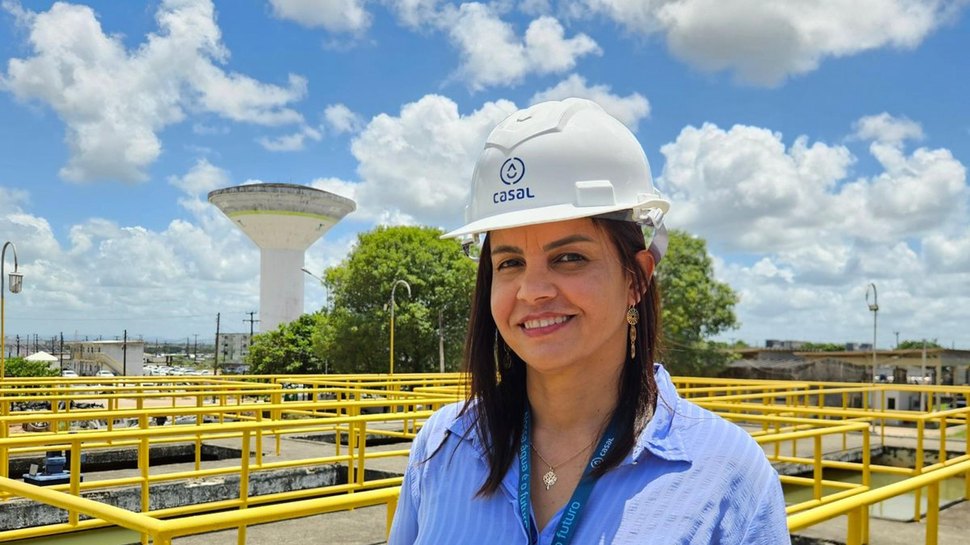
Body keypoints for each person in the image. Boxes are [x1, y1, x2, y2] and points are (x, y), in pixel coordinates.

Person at [388, 98, 790, 544]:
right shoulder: (443, 445)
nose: (532, 290)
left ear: (636, 279)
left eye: (570, 258)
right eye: (509, 263)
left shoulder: (727, 474)